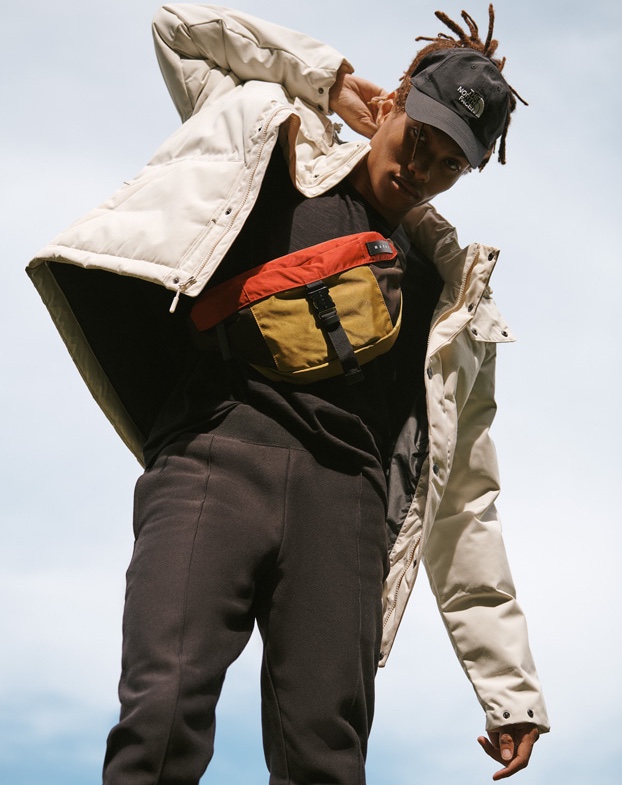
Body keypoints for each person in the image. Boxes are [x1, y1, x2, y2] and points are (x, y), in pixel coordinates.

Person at [27, 4, 549, 784]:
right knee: (161, 717)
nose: (422, 168)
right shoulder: (270, 144)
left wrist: (510, 688)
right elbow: (178, 26)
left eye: (449, 163)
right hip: (216, 452)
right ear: (393, 102)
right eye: (418, 139)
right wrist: (326, 79)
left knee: (325, 760)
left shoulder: (451, 301)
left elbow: (466, 496)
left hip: (347, 510)